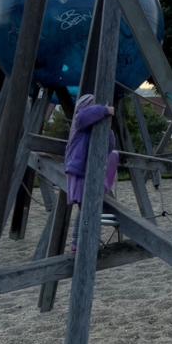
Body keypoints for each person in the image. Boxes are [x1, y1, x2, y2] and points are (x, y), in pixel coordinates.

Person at [64, 93, 118, 252]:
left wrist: (107, 129)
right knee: (86, 205)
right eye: (93, 105)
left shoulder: (92, 128)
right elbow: (85, 115)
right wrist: (105, 110)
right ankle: (79, 239)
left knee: (86, 207)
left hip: (87, 170)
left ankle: (78, 239)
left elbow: (109, 146)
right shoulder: (79, 122)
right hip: (79, 169)